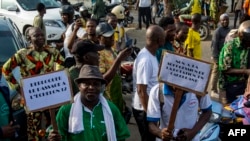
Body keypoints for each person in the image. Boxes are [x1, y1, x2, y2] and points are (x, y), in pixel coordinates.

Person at [1, 27, 65, 141]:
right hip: (32, 98)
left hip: (50, 96)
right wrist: (19, 89)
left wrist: (57, 78)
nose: (40, 37)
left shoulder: (52, 51)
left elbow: (62, 64)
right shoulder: (22, 54)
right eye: (36, 35)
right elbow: (6, 70)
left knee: (53, 128)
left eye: (42, 35)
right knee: (34, 131)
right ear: (29, 38)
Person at [48, 65, 130, 141]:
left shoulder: (111, 109)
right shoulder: (67, 109)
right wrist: (54, 137)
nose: (91, 87)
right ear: (79, 86)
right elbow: (58, 133)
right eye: (86, 83)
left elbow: (121, 137)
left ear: (101, 87)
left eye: (96, 84)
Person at [132, 25, 165, 141]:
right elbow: (141, 91)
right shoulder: (145, 60)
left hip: (149, 107)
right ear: (158, 40)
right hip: (143, 109)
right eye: (163, 37)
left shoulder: (151, 55)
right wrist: (149, 115)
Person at [147, 84, 212, 141]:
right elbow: (151, 124)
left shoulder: (199, 88)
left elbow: (207, 112)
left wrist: (192, 132)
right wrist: (160, 133)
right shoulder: (158, 90)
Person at [218, 20, 250, 104]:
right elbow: (225, 69)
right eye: (248, 43)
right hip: (229, 85)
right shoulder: (230, 47)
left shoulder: (247, 47)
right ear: (242, 38)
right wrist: (245, 71)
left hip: (242, 84)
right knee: (230, 111)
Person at [210, 13, 230, 99]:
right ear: (220, 21)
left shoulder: (229, 30)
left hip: (226, 56)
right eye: (223, 20)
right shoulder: (218, 31)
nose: (225, 21)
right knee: (215, 72)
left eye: (226, 19)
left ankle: (221, 88)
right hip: (218, 56)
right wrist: (215, 57)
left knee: (224, 73)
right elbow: (214, 45)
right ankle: (213, 90)